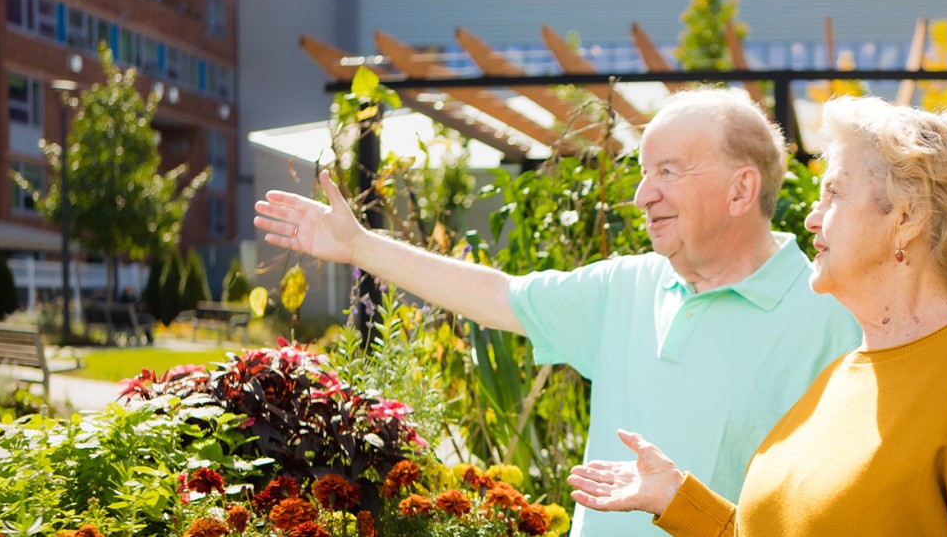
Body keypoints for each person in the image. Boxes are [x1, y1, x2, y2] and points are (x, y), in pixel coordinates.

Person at [253, 89, 861, 536]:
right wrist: (360, 246)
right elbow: (494, 295)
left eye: (668, 172)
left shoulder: (833, 316)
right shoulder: (624, 287)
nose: (643, 194)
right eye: (644, 173)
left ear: (740, 190)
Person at [567, 96, 947, 536]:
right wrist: (678, 500)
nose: (811, 216)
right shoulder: (844, 374)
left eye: (834, 192)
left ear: (907, 216)